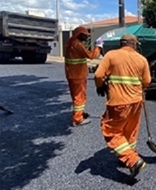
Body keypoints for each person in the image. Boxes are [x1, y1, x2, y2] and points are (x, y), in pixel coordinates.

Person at [94, 34, 151, 179]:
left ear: (121, 43)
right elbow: (147, 81)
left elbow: (98, 75)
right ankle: (127, 157)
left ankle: (132, 160)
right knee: (130, 130)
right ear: (134, 44)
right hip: (136, 101)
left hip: (118, 102)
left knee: (111, 130)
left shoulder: (111, 55)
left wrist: (100, 86)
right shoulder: (142, 59)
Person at [64, 26, 102, 126]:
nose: (87, 38)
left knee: (77, 96)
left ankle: (79, 113)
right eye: (85, 36)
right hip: (78, 75)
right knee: (79, 97)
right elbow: (91, 56)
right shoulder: (77, 44)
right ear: (79, 35)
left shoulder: (71, 42)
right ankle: (77, 119)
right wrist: (98, 46)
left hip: (73, 74)